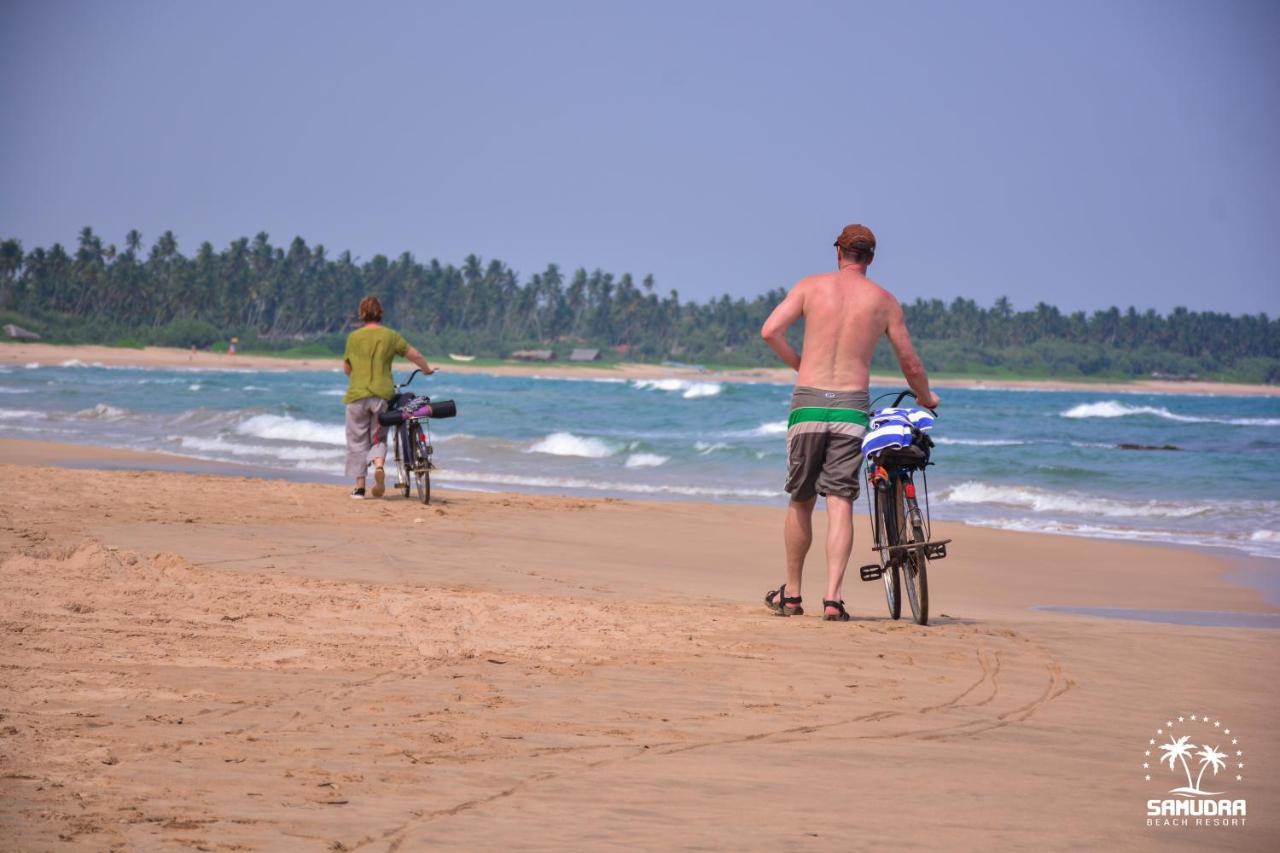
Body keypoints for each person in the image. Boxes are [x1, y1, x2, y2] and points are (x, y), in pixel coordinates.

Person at [759, 224, 939, 621]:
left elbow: (770, 330)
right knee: (839, 501)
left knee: (801, 499)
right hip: (851, 409)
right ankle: (833, 599)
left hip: (807, 404)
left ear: (838, 251)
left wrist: (801, 366)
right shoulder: (884, 301)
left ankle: (791, 595)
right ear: (871, 258)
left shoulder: (810, 286)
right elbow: (910, 363)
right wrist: (926, 397)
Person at [342, 295, 435, 499]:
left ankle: (359, 488)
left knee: (357, 441)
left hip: (357, 395)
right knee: (378, 436)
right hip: (382, 396)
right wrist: (426, 369)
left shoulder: (353, 338)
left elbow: (347, 368)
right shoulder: (390, 336)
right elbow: (415, 354)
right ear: (380, 313)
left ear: (362, 314)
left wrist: (357, 377)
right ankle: (379, 467)